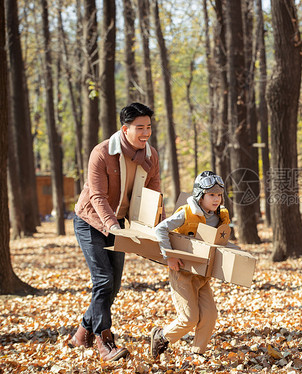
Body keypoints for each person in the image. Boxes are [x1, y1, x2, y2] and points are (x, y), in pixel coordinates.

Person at [69, 103, 161, 361]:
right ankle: (104, 341)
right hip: (90, 221)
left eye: (149, 128)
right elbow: (97, 197)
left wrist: (159, 228)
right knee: (103, 280)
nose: (146, 133)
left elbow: (153, 196)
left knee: (114, 285)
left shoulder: (150, 156)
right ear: (125, 129)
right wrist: (113, 228)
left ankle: (81, 333)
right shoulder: (102, 153)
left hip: (118, 224)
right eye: (140, 128)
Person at [149, 171, 230, 361]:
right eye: (211, 194)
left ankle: (197, 353)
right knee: (189, 318)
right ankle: (161, 336)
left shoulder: (221, 216)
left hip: (202, 275)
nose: (216, 199)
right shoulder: (186, 213)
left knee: (210, 315)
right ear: (200, 195)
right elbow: (160, 229)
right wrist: (169, 256)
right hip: (182, 273)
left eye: (219, 195)